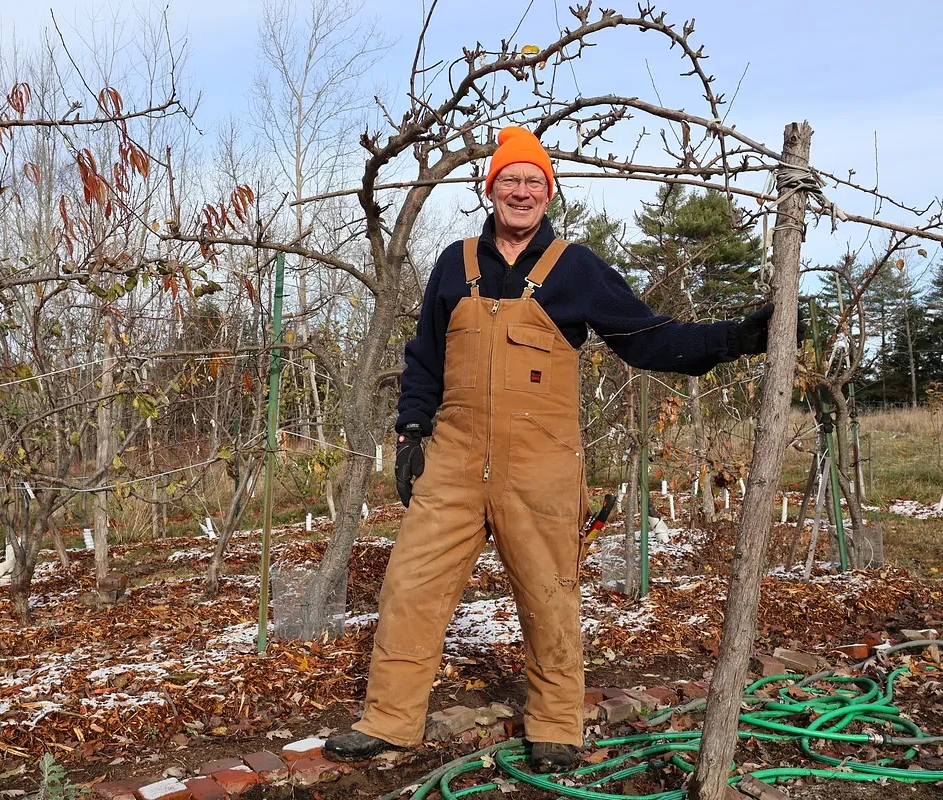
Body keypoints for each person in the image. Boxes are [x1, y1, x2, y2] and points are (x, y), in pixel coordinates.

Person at [323, 126, 786, 771]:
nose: (520, 191)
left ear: (549, 192)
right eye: (508, 179)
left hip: (540, 466)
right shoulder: (453, 266)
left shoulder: (577, 270)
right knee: (409, 585)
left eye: (533, 181)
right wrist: (410, 433)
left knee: (550, 593)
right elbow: (425, 358)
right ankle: (390, 720)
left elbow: (650, 339)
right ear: (489, 190)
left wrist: (740, 336)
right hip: (454, 461)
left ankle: (556, 726)